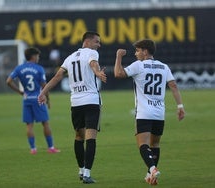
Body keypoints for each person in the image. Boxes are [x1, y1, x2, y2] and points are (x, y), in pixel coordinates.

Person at [38, 31, 107, 184]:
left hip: (75, 103)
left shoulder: (70, 57)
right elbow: (93, 64)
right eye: (97, 41)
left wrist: (43, 92)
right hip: (91, 101)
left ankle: (81, 170)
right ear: (87, 42)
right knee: (91, 137)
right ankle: (87, 174)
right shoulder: (92, 53)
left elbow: (57, 76)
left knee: (78, 137)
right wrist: (97, 72)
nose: (99, 45)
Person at [114, 39, 185, 186]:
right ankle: (149, 175)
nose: (135, 54)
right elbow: (173, 85)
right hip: (159, 112)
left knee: (143, 144)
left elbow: (118, 74)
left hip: (144, 112)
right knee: (155, 144)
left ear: (145, 51)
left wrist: (119, 56)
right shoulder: (164, 67)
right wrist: (180, 106)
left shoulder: (139, 65)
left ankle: (152, 169)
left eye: (137, 50)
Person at [6, 47, 60, 155]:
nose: (38, 58)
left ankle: (33, 149)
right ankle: (51, 147)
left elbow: (8, 81)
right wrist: (48, 99)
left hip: (26, 99)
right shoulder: (39, 68)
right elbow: (44, 85)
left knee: (29, 125)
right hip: (38, 98)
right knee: (45, 123)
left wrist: (20, 92)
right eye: (38, 56)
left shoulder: (19, 68)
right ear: (34, 56)